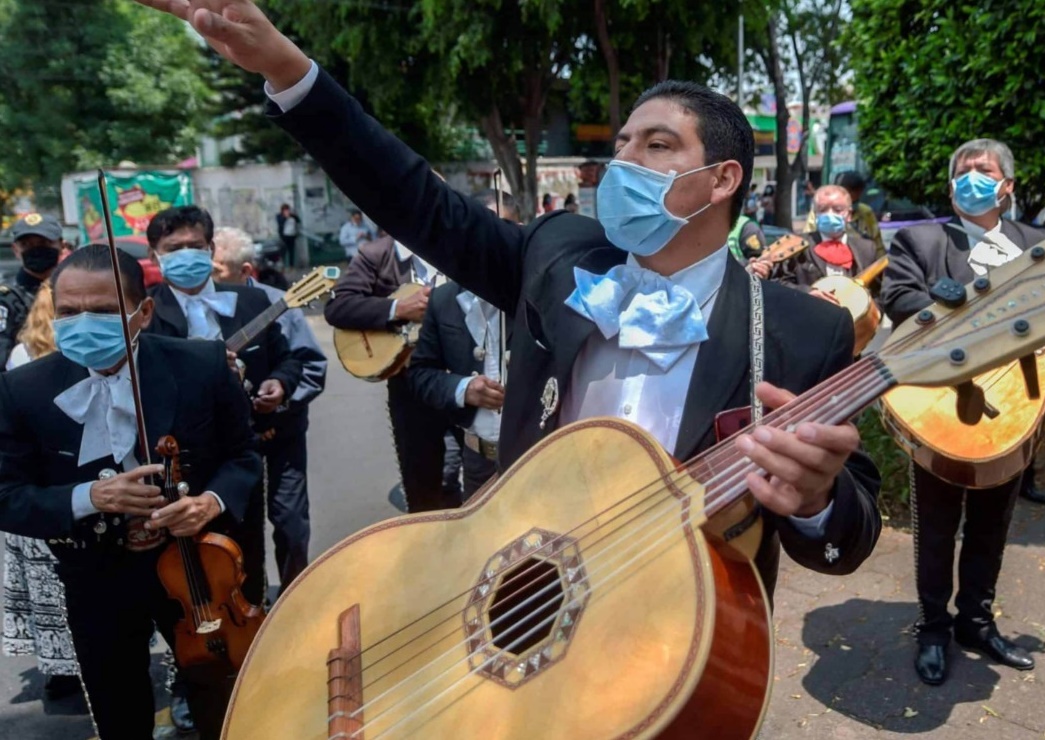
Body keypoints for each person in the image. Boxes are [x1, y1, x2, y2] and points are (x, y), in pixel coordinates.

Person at [139, 0, 884, 611]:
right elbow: (413, 197)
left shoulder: (801, 329)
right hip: (520, 598)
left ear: (722, 181)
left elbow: (845, 540)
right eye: (621, 142)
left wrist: (816, 498)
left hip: (687, 638)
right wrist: (285, 69)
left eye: (657, 145)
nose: (622, 160)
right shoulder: (557, 254)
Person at [880, 138, 1045, 687]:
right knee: (936, 521)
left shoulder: (1037, 243)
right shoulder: (921, 239)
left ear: (1008, 187)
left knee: (993, 520)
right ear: (950, 184)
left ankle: (976, 620)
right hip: (942, 398)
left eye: (985, 170)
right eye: (963, 171)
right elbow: (899, 298)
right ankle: (933, 627)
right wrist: (942, 305)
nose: (972, 178)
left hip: (1015, 400)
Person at [0, 244, 261, 740]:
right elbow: (7, 495)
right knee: (118, 704)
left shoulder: (201, 363)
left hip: (198, 568)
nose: (82, 323)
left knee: (221, 696)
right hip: (96, 576)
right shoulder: (22, 389)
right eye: (69, 311)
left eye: (101, 311)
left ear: (143, 311)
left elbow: (243, 455)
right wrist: (88, 498)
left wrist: (211, 502)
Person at [142, 205, 303, 606]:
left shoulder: (250, 301)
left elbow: (289, 358)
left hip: (244, 447)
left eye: (194, 245)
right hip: (179, 456)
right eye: (172, 247)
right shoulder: (146, 313)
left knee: (246, 550)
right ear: (154, 255)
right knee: (187, 563)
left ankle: (252, 624)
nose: (185, 253)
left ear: (210, 248)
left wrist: (279, 383)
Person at [212, 226, 327, 592]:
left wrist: (283, 392)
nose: (206, 279)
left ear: (245, 272)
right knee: (237, 527)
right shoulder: (200, 308)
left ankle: (296, 599)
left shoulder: (281, 304)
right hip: (229, 442)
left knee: (291, 521)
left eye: (215, 271)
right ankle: (247, 608)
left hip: (283, 431)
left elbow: (309, 364)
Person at [324, 227, 465, 512]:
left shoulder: (461, 245)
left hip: (467, 382)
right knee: (422, 491)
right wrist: (398, 308)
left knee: (484, 480)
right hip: (412, 388)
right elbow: (338, 307)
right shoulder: (376, 254)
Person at [408, 190, 520, 498]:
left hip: (535, 458)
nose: (489, 243)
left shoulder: (537, 293)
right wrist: (462, 389)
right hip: (477, 460)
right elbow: (420, 374)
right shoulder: (444, 300)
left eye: (501, 230)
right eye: (479, 231)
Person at [1, 283, 82, 701]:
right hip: (71, 482)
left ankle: (60, 668)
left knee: (43, 585)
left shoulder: (20, 354)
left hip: (37, 488)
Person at [749, 184, 878, 299]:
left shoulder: (867, 249)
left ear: (849, 214)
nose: (830, 214)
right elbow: (779, 282)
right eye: (823, 210)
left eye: (838, 210)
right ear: (815, 214)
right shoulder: (796, 244)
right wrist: (807, 294)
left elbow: (878, 294)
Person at [1, 213, 69, 369]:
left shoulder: (77, 290)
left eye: (44, 243)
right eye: (27, 244)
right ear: (16, 250)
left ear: (62, 246)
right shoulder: (7, 298)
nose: (36, 249)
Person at [275, 203, 301, 268]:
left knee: (291, 251)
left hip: (292, 236)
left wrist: (293, 215)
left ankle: (291, 266)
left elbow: (298, 220)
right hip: (284, 236)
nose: (287, 212)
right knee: (283, 252)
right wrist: (285, 217)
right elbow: (280, 223)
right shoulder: (279, 216)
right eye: (285, 210)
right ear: (282, 211)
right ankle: (283, 266)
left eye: (288, 210)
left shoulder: (292, 216)